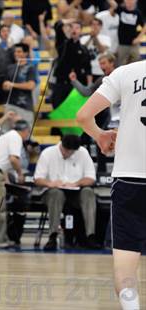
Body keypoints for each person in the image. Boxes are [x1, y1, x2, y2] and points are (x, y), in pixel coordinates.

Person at [77, 58, 146, 310]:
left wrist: (100, 135)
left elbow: (83, 115)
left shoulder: (126, 73)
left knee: (125, 273)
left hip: (130, 179)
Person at [34, 135, 98, 250]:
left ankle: (90, 236)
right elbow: (38, 179)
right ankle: (52, 236)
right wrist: (51, 183)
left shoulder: (83, 153)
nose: (67, 153)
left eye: (71, 152)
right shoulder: (48, 153)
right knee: (56, 194)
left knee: (88, 192)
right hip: (53, 192)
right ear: (61, 145)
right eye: (65, 150)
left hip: (76, 191)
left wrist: (76, 183)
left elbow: (91, 178)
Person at [0, 120, 30, 247]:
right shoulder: (16, 137)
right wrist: (20, 174)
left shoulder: (7, 136)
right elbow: (13, 159)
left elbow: (0, 159)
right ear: (25, 131)